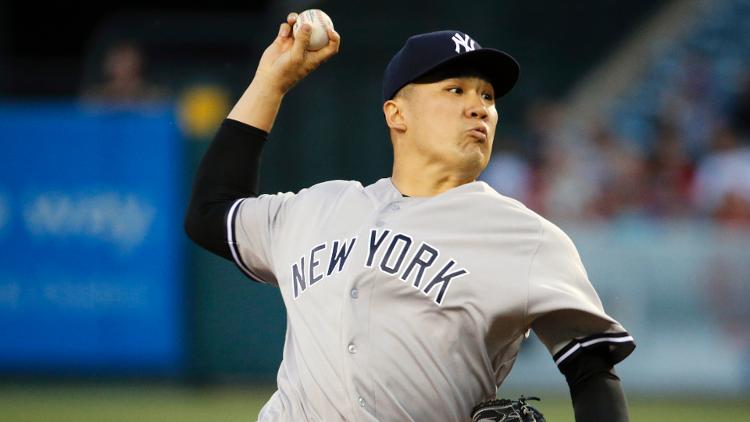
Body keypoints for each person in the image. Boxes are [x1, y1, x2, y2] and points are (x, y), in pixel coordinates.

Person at [184, 12, 635, 421]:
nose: (479, 107)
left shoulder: (527, 237)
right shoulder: (319, 207)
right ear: (397, 114)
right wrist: (271, 82)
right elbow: (209, 213)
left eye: (488, 96)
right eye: (455, 90)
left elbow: (592, 369)